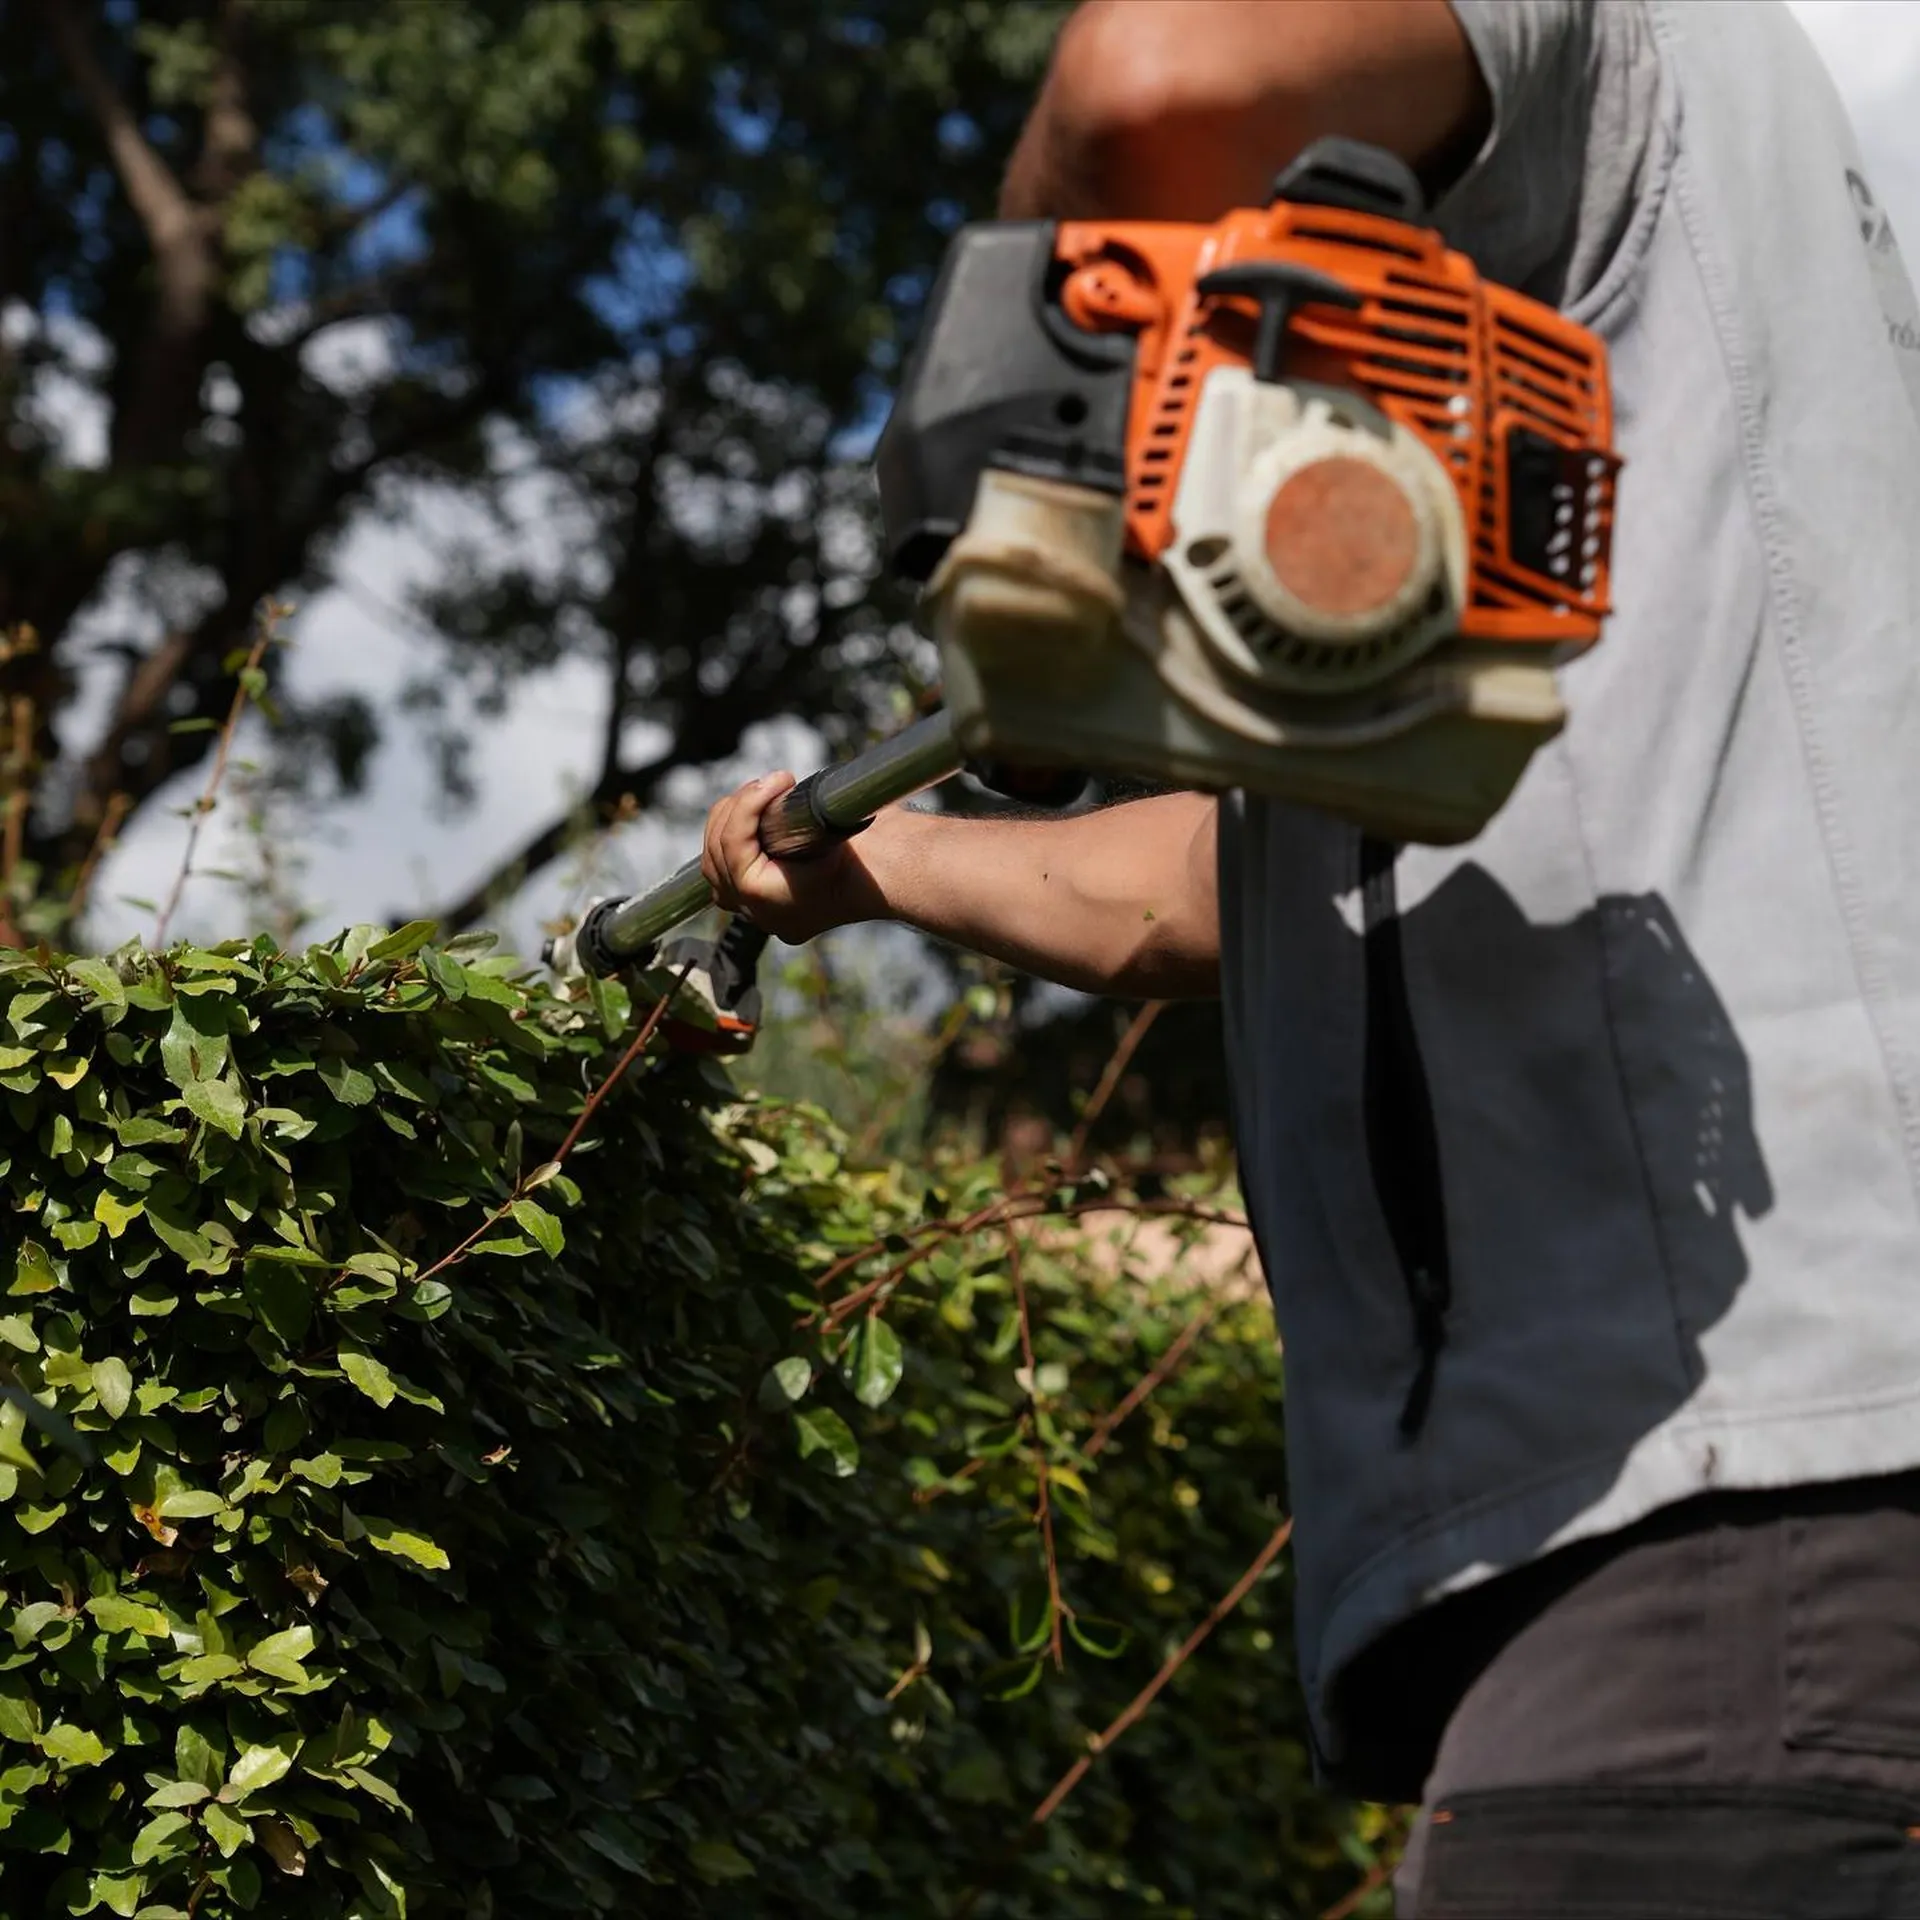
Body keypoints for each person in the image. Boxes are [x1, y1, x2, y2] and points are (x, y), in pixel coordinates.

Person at [701, 3, 1920, 1912]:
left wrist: (1013, 463)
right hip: (1750, 1527)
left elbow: (1152, 82)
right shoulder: (1632, 385)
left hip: (1740, 1517)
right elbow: (1230, 892)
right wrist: (886, 865)